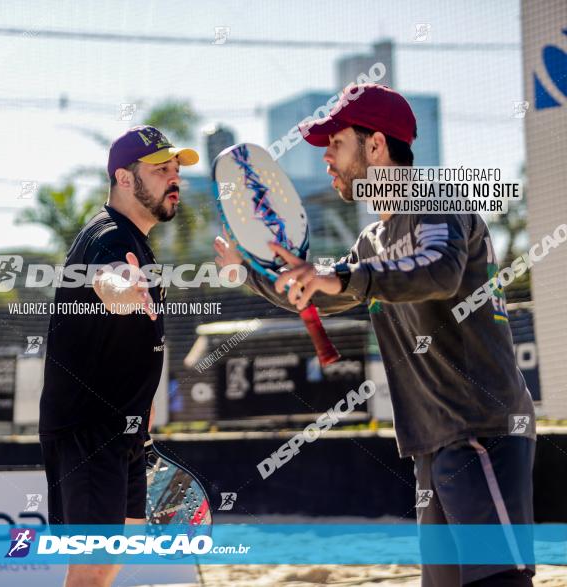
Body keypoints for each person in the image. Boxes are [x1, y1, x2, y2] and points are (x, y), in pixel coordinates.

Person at [214, 84, 535, 587]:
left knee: (499, 582)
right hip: (433, 441)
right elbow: (318, 293)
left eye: (335, 143)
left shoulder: (434, 199)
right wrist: (249, 271)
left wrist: (339, 278)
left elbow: (438, 271)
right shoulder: (372, 240)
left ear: (377, 146)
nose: (326, 158)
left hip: (481, 430)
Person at [39, 125, 198, 587]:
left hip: (120, 433)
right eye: (161, 170)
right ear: (124, 179)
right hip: (91, 432)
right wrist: (118, 289)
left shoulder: (133, 238)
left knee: (108, 562)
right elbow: (107, 279)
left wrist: (143, 433)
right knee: (92, 571)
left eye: (176, 170)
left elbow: (134, 353)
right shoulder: (110, 237)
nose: (174, 179)